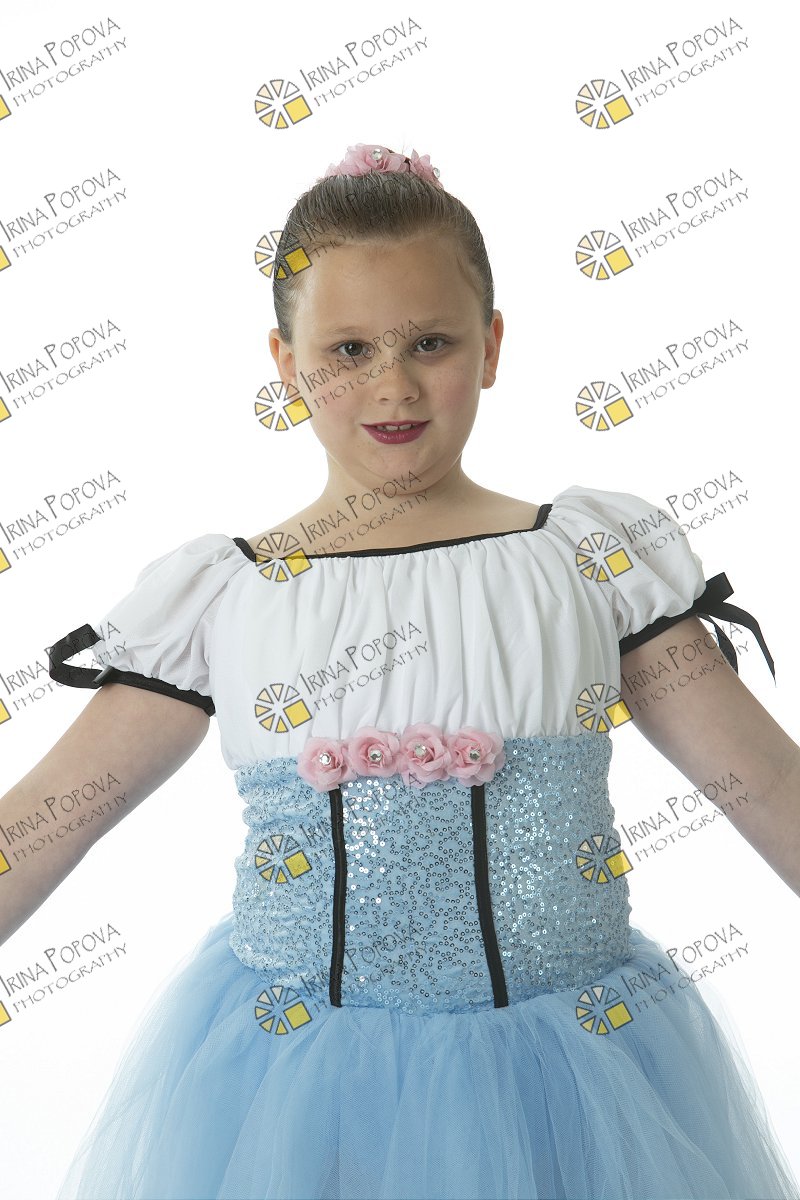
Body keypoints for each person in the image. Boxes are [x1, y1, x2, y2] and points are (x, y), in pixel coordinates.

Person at [2, 142, 798, 1200]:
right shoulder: (229, 596)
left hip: (567, 1085)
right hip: (298, 1096)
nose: (392, 384)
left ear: (491, 344)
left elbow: (767, 785)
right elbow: (47, 818)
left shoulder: (585, 559)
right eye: (347, 350)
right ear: (285, 364)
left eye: (430, 341)